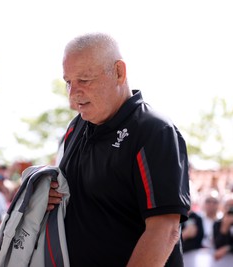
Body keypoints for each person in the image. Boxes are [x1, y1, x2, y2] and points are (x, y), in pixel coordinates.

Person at [48, 33, 190, 267]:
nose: (73, 94)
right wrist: (47, 195)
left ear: (119, 72)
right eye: (68, 82)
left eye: (84, 79)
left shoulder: (153, 130)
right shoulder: (75, 128)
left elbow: (165, 230)